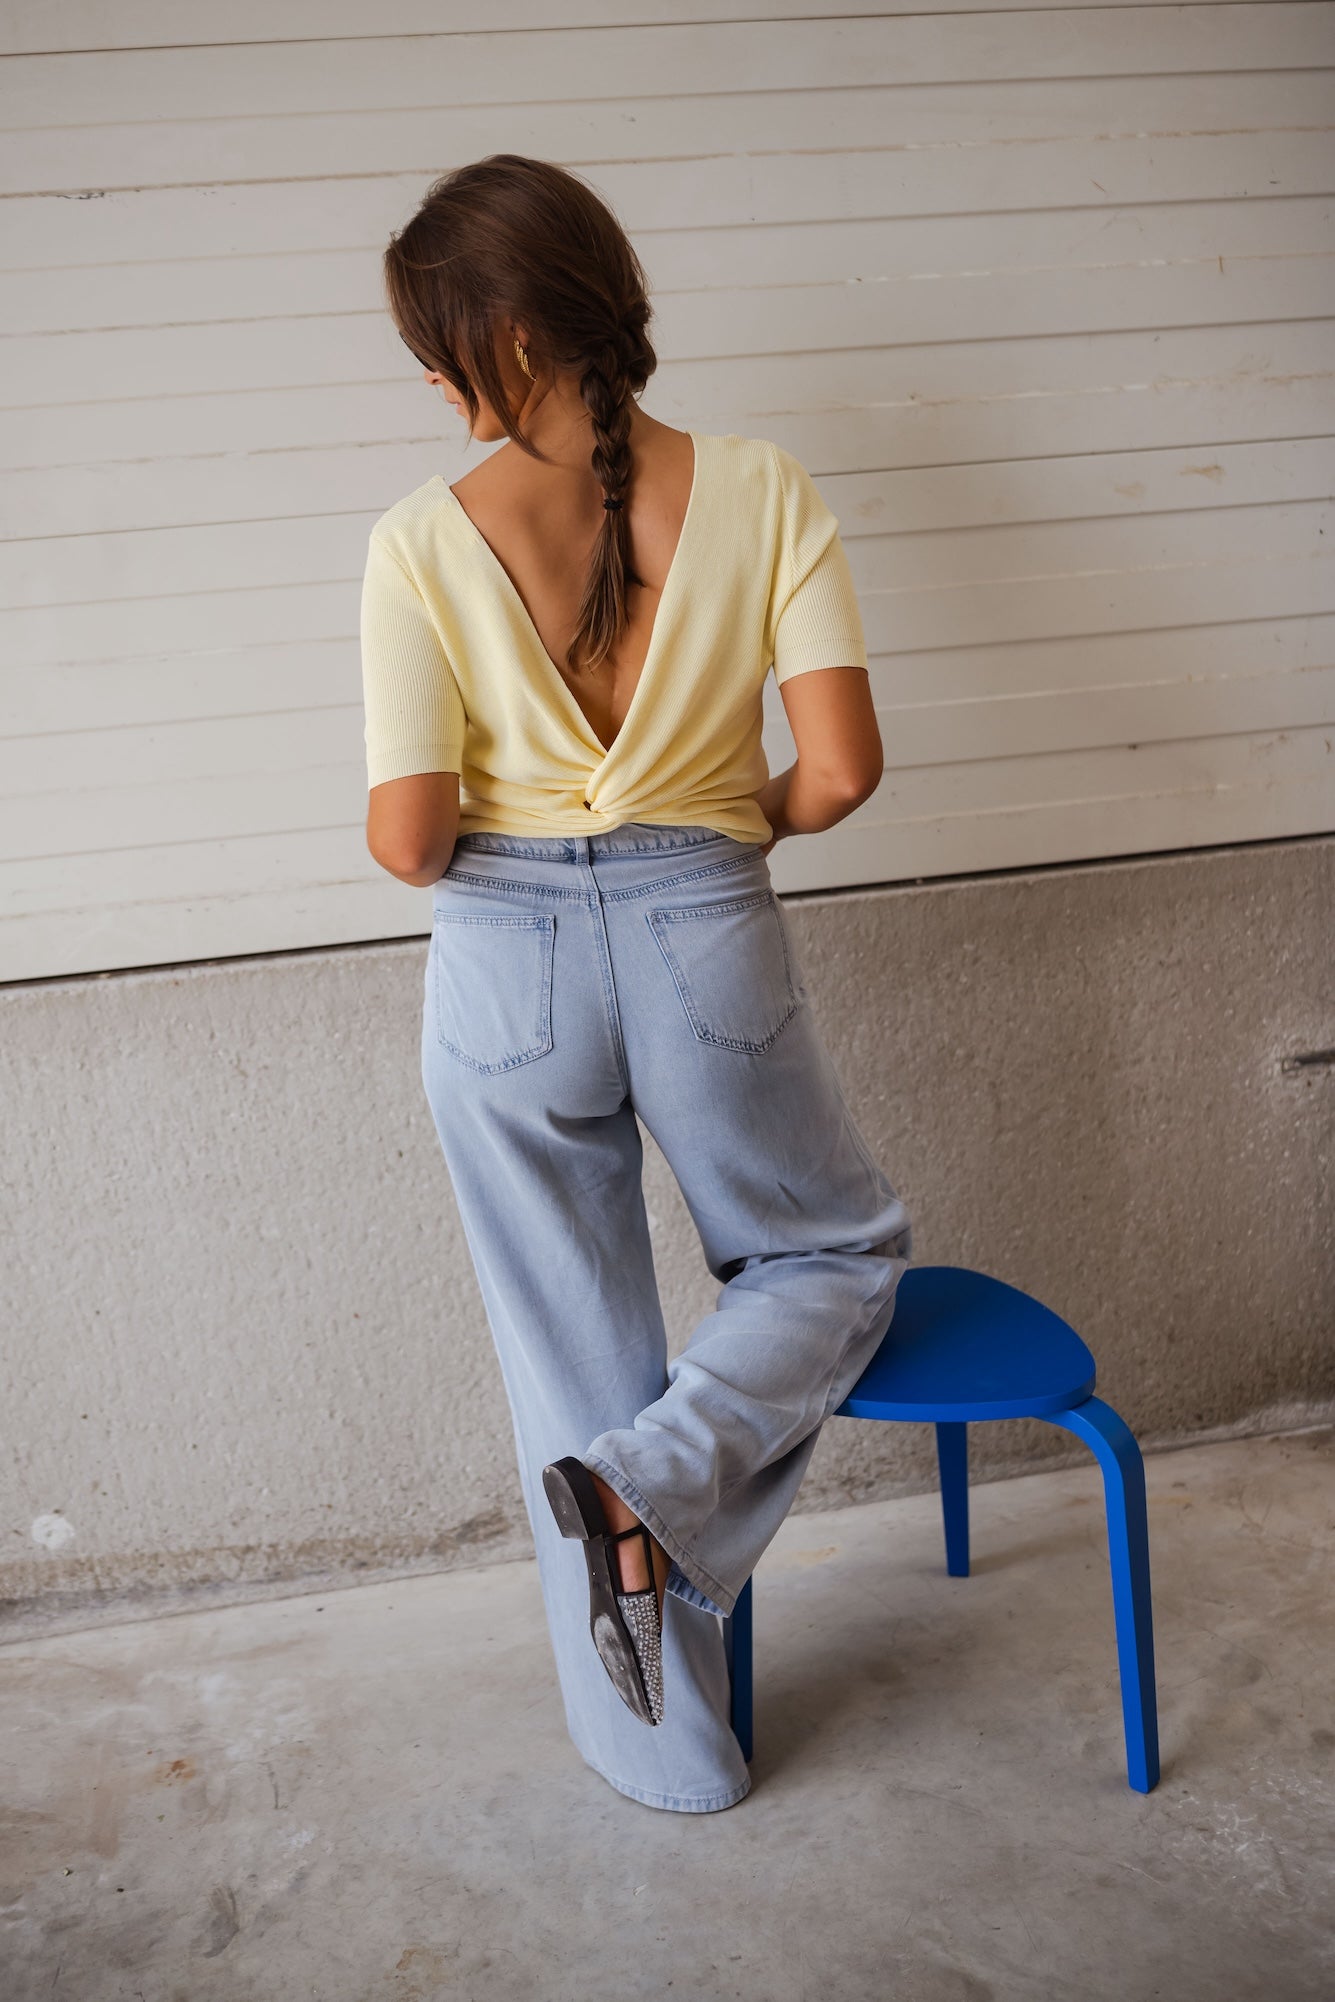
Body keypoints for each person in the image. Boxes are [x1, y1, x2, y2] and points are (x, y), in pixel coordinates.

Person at [360, 153, 913, 1814]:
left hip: (501, 966)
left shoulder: (417, 540)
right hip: (704, 922)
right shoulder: (762, 487)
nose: (439, 385)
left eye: (442, 347)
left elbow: (409, 841)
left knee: (573, 1351)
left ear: (511, 336)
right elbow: (843, 769)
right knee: (832, 1251)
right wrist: (712, 827)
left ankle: (671, 1763)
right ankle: (646, 1480)